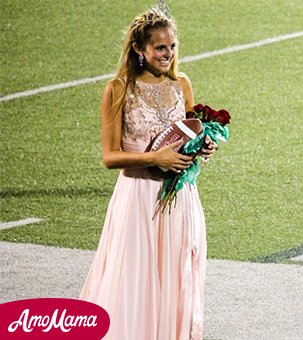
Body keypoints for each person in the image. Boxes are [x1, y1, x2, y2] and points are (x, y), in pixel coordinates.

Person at [80, 4, 217, 339]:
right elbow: (110, 156)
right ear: (139, 49)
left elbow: (187, 133)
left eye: (171, 47)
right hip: (138, 199)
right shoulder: (118, 89)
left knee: (176, 276)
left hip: (180, 196)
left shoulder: (182, 84)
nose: (167, 54)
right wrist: (156, 158)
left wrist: (203, 147)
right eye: (159, 47)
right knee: (136, 278)